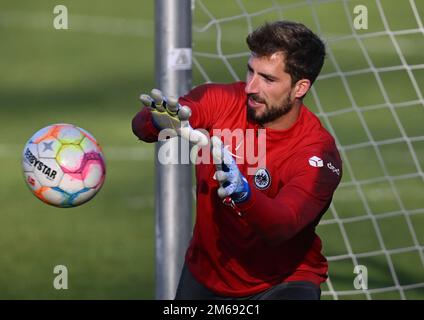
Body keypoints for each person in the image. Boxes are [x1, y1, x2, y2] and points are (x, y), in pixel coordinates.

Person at [132, 21, 342, 300]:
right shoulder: (222, 99)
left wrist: (245, 194)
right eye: (250, 71)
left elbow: (282, 226)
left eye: (268, 79)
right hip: (206, 275)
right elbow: (145, 128)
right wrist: (156, 122)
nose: (251, 87)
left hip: (283, 283)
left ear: (300, 87)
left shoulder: (317, 154)